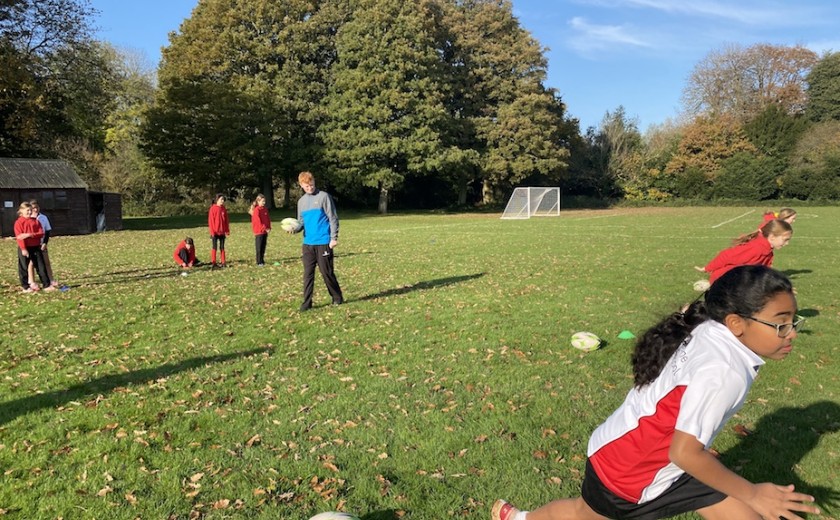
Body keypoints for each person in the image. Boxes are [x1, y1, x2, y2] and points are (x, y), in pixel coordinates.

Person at [492, 265, 819, 520]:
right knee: (583, 514)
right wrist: (752, 493)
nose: (791, 334)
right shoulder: (725, 371)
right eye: (780, 324)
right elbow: (685, 454)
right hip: (633, 473)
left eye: (793, 322)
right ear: (736, 323)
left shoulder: (710, 328)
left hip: (624, 446)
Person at [289, 171, 343, 311]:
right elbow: (301, 223)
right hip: (308, 244)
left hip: (323, 242)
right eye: (307, 186)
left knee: (327, 273)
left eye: (311, 184)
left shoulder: (324, 197)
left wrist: (333, 238)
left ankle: (337, 297)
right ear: (301, 185)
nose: (310, 188)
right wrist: (294, 229)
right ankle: (307, 303)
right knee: (308, 274)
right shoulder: (301, 202)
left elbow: (333, 218)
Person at [698, 220, 792, 285]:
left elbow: (764, 272)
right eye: (785, 240)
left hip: (740, 282)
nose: (787, 243)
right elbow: (726, 256)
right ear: (772, 237)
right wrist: (707, 268)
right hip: (724, 282)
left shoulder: (767, 251)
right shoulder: (755, 248)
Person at [14, 202, 54, 292]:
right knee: (24, 267)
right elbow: (19, 237)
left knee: (41, 266)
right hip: (24, 248)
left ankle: (46, 285)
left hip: (36, 247)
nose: (29, 212)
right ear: (21, 211)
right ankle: (25, 286)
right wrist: (23, 249)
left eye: (30, 210)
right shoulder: (18, 222)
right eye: (27, 210)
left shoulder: (36, 221)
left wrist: (28, 234)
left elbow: (41, 233)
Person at [27, 200, 59, 288]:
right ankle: (31, 281)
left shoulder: (43, 217)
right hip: (32, 244)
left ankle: (51, 279)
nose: (35, 210)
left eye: (36, 207)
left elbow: (47, 231)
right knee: (31, 263)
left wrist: (45, 243)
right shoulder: (28, 218)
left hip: (41, 243)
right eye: (33, 208)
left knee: (46, 262)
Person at [207, 193, 230, 268]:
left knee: (222, 247)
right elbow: (211, 221)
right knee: (214, 247)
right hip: (215, 231)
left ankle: (223, 262)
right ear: (217, 200)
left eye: (223, 199)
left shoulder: (223, 208)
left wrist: (227, 230)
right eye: (221, 199)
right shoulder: (213, 209)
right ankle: (213, 262)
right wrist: (212, 232)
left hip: (222, 231)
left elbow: (226, 220)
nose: (222, 201)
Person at [249, 194, 271, 266]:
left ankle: (262, 260)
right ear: (258, 201)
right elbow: (258, 221)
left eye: (264, 201)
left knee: (263, 246)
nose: (264, 203)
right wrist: (264, 228)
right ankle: (259, 261)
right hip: (259, 231)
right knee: (259, 247)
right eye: (262, 201)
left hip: (265, 231)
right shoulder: (256, 210)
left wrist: (269, 227)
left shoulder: (265, 209)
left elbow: (268, 219)